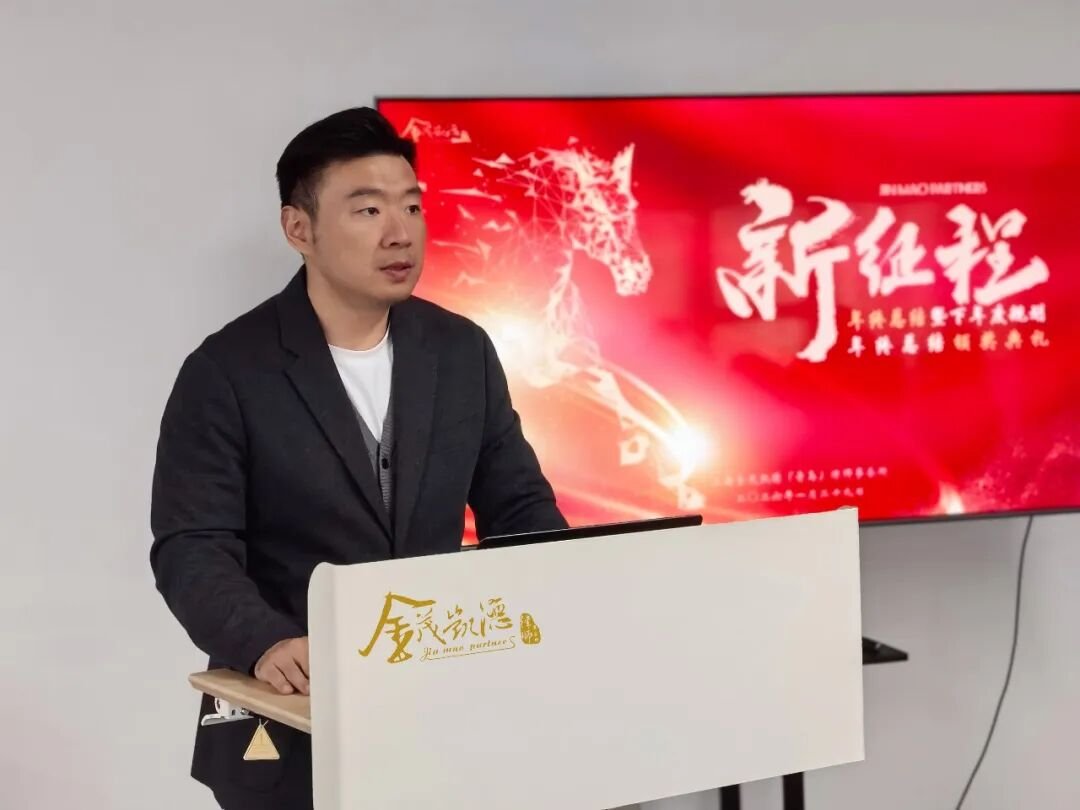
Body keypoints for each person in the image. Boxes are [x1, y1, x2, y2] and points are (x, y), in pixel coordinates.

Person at [149, 107, 568, 810]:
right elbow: (192, 546)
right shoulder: (226, 370)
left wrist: (570, 601)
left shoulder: (461, 351)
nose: (400, 233)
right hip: (293, 717)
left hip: (443, 713)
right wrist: (266, 641)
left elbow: (520, 506)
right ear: (299, 229)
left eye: (412, 206)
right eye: (368, 210)